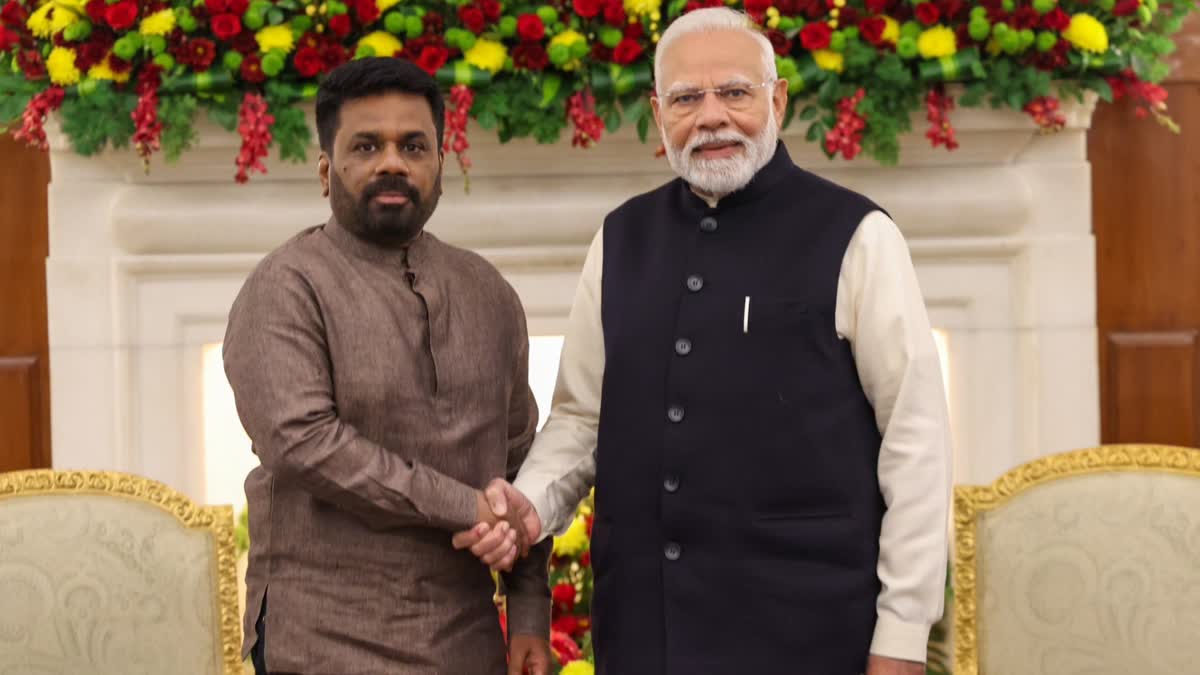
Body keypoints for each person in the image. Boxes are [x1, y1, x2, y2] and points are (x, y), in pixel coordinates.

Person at [454, 8, 952, 675]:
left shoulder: (859, 235)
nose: (712, 116)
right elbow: (581, 417)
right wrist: (532, 505)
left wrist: (902, 636)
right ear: (659, 114)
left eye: (736, 93)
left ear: (777, 99)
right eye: (687, 98)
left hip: (811, 634)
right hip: (644, 634)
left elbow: (914, 442)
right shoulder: (620, 239)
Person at [223, 57, 550, 675]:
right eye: (366, 146)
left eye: (414, 146)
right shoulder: (286, 286)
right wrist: (467, 507)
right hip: (323, 639)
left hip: (466, 637)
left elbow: (520, 460)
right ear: (326, 170)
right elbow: (304, 443)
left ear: (439, 169)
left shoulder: (488, 292)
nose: (392, 162)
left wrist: (530, 614)